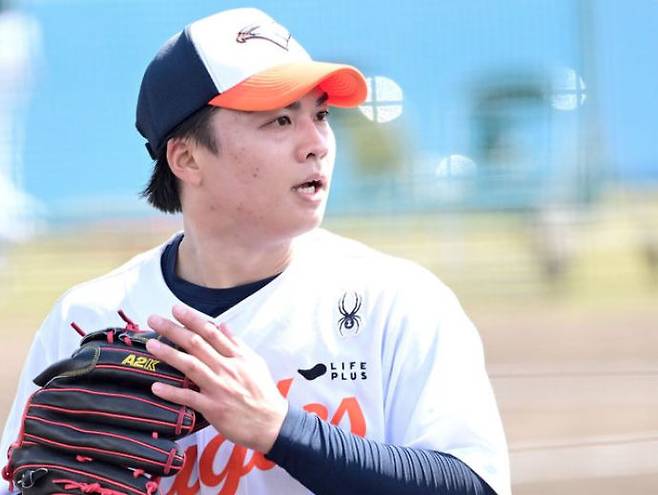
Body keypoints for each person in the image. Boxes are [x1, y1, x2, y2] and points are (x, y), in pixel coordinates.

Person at [0, 7, 510, 495]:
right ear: (187, 157)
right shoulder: (86, 318)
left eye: (321, 114)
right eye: (280, 121)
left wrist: (280, 429)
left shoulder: (397, 303)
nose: (317, 143)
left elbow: (475, 484)